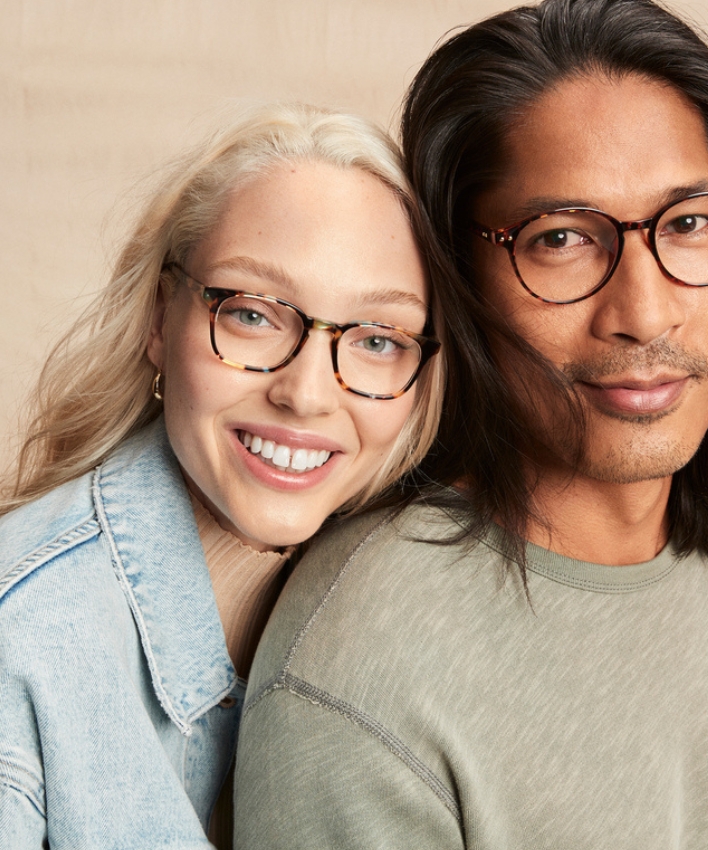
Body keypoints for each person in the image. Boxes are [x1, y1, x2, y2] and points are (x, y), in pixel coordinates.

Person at [234, 1, 708, 848]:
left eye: (691, 223)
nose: (644, 313)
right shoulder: (360, 676)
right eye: (560, 238)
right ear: (456, 275)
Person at [0, 102, 442, 849]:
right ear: (158, 317)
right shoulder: (22, 652)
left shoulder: (401, 613)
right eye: (253, 315)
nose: (306, 393)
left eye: (376, 339)